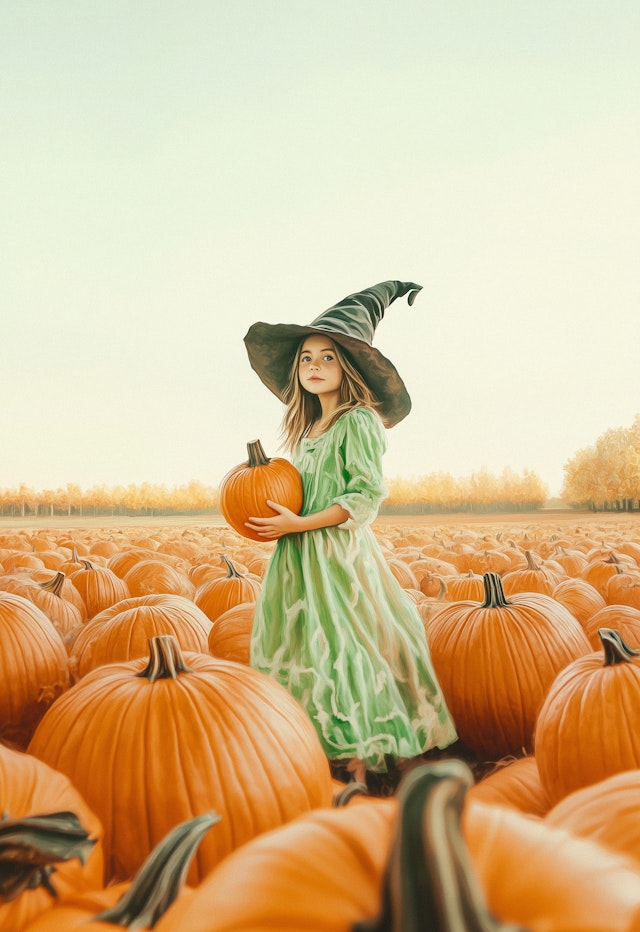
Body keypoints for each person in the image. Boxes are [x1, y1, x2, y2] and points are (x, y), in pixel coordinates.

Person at [243, 280, 457, 784]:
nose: (314, 366)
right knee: (305, 647)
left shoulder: (357, 422)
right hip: (301, 557)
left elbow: (363, 496)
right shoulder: (309, 428)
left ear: (349, 369)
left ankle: (366, 757)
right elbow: (307, 490)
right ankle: (320, 747)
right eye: (306, 359)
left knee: (344, 647)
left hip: (337, 556)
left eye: (328, 358)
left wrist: (300, 523)